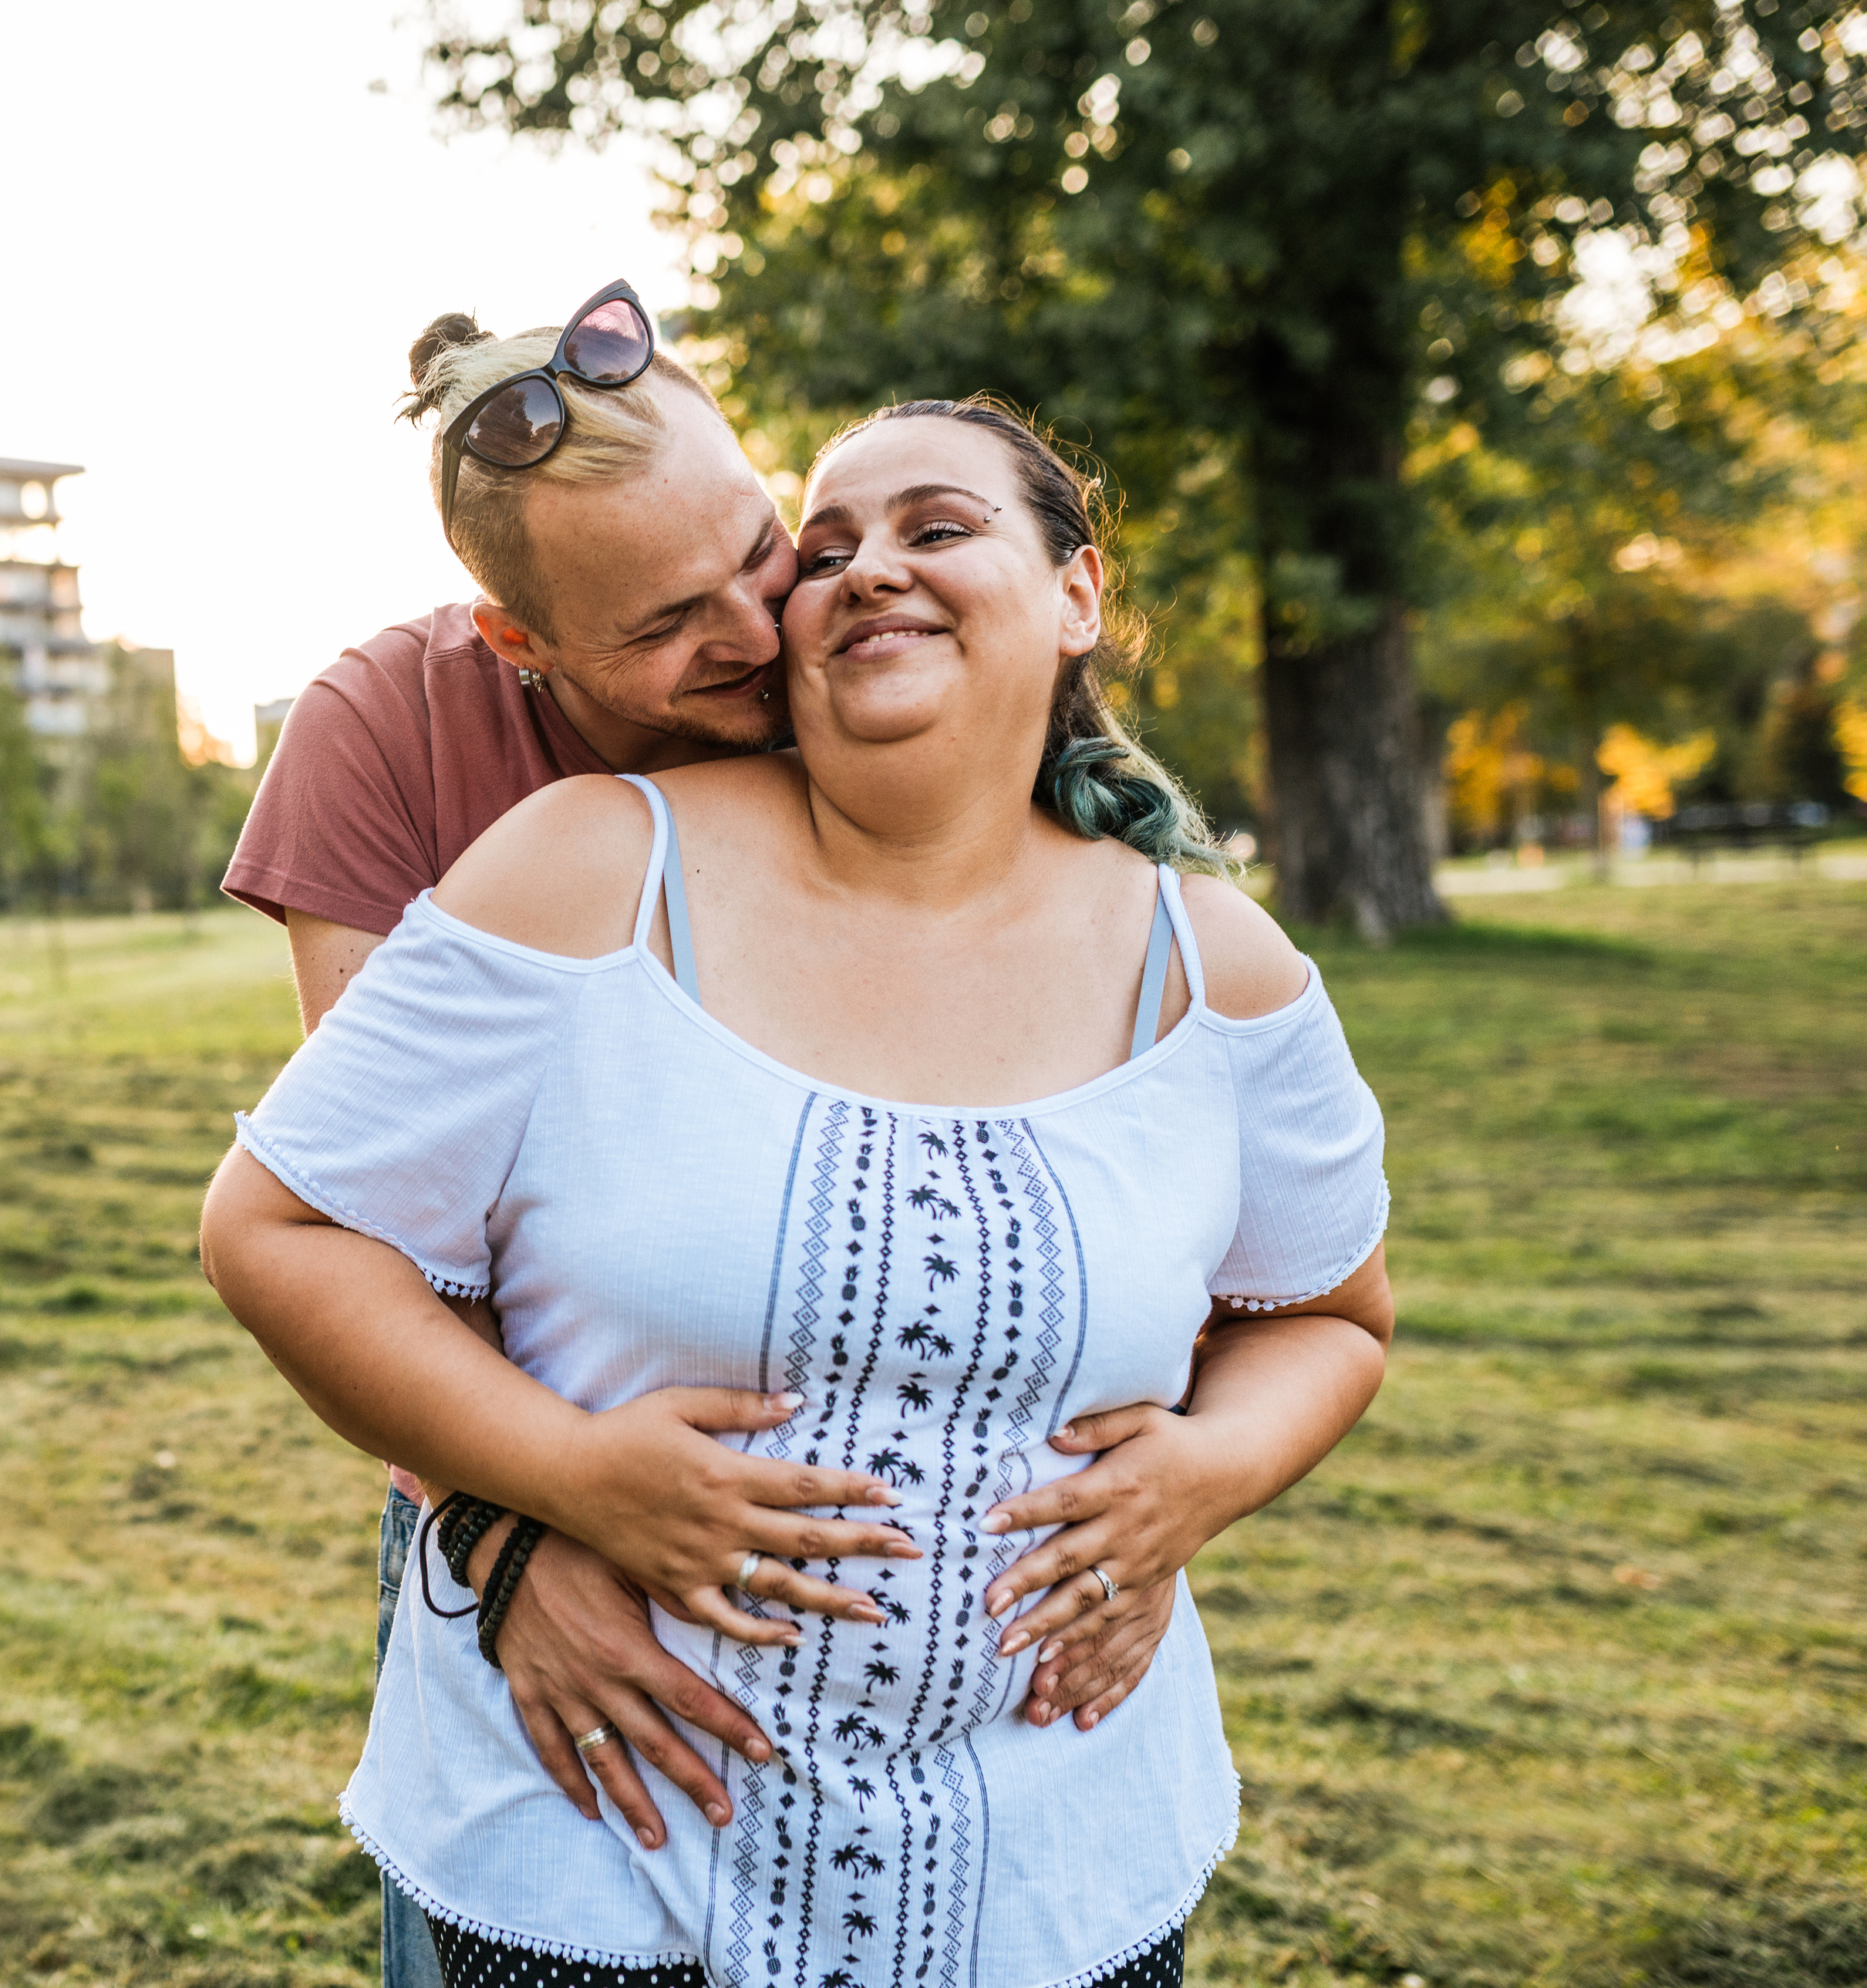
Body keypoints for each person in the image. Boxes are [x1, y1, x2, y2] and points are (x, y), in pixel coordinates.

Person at [203, 393, 1394, 1985]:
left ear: (1078, 595)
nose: (861, 573)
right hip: (605, 1857)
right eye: (824, 549)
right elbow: (285, 1227)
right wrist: (550, 1492)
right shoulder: (581, 870)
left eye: (939, 528)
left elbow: (1330, 1313)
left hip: (1051, 1873)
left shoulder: (1217, 969)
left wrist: (1211, 1470)